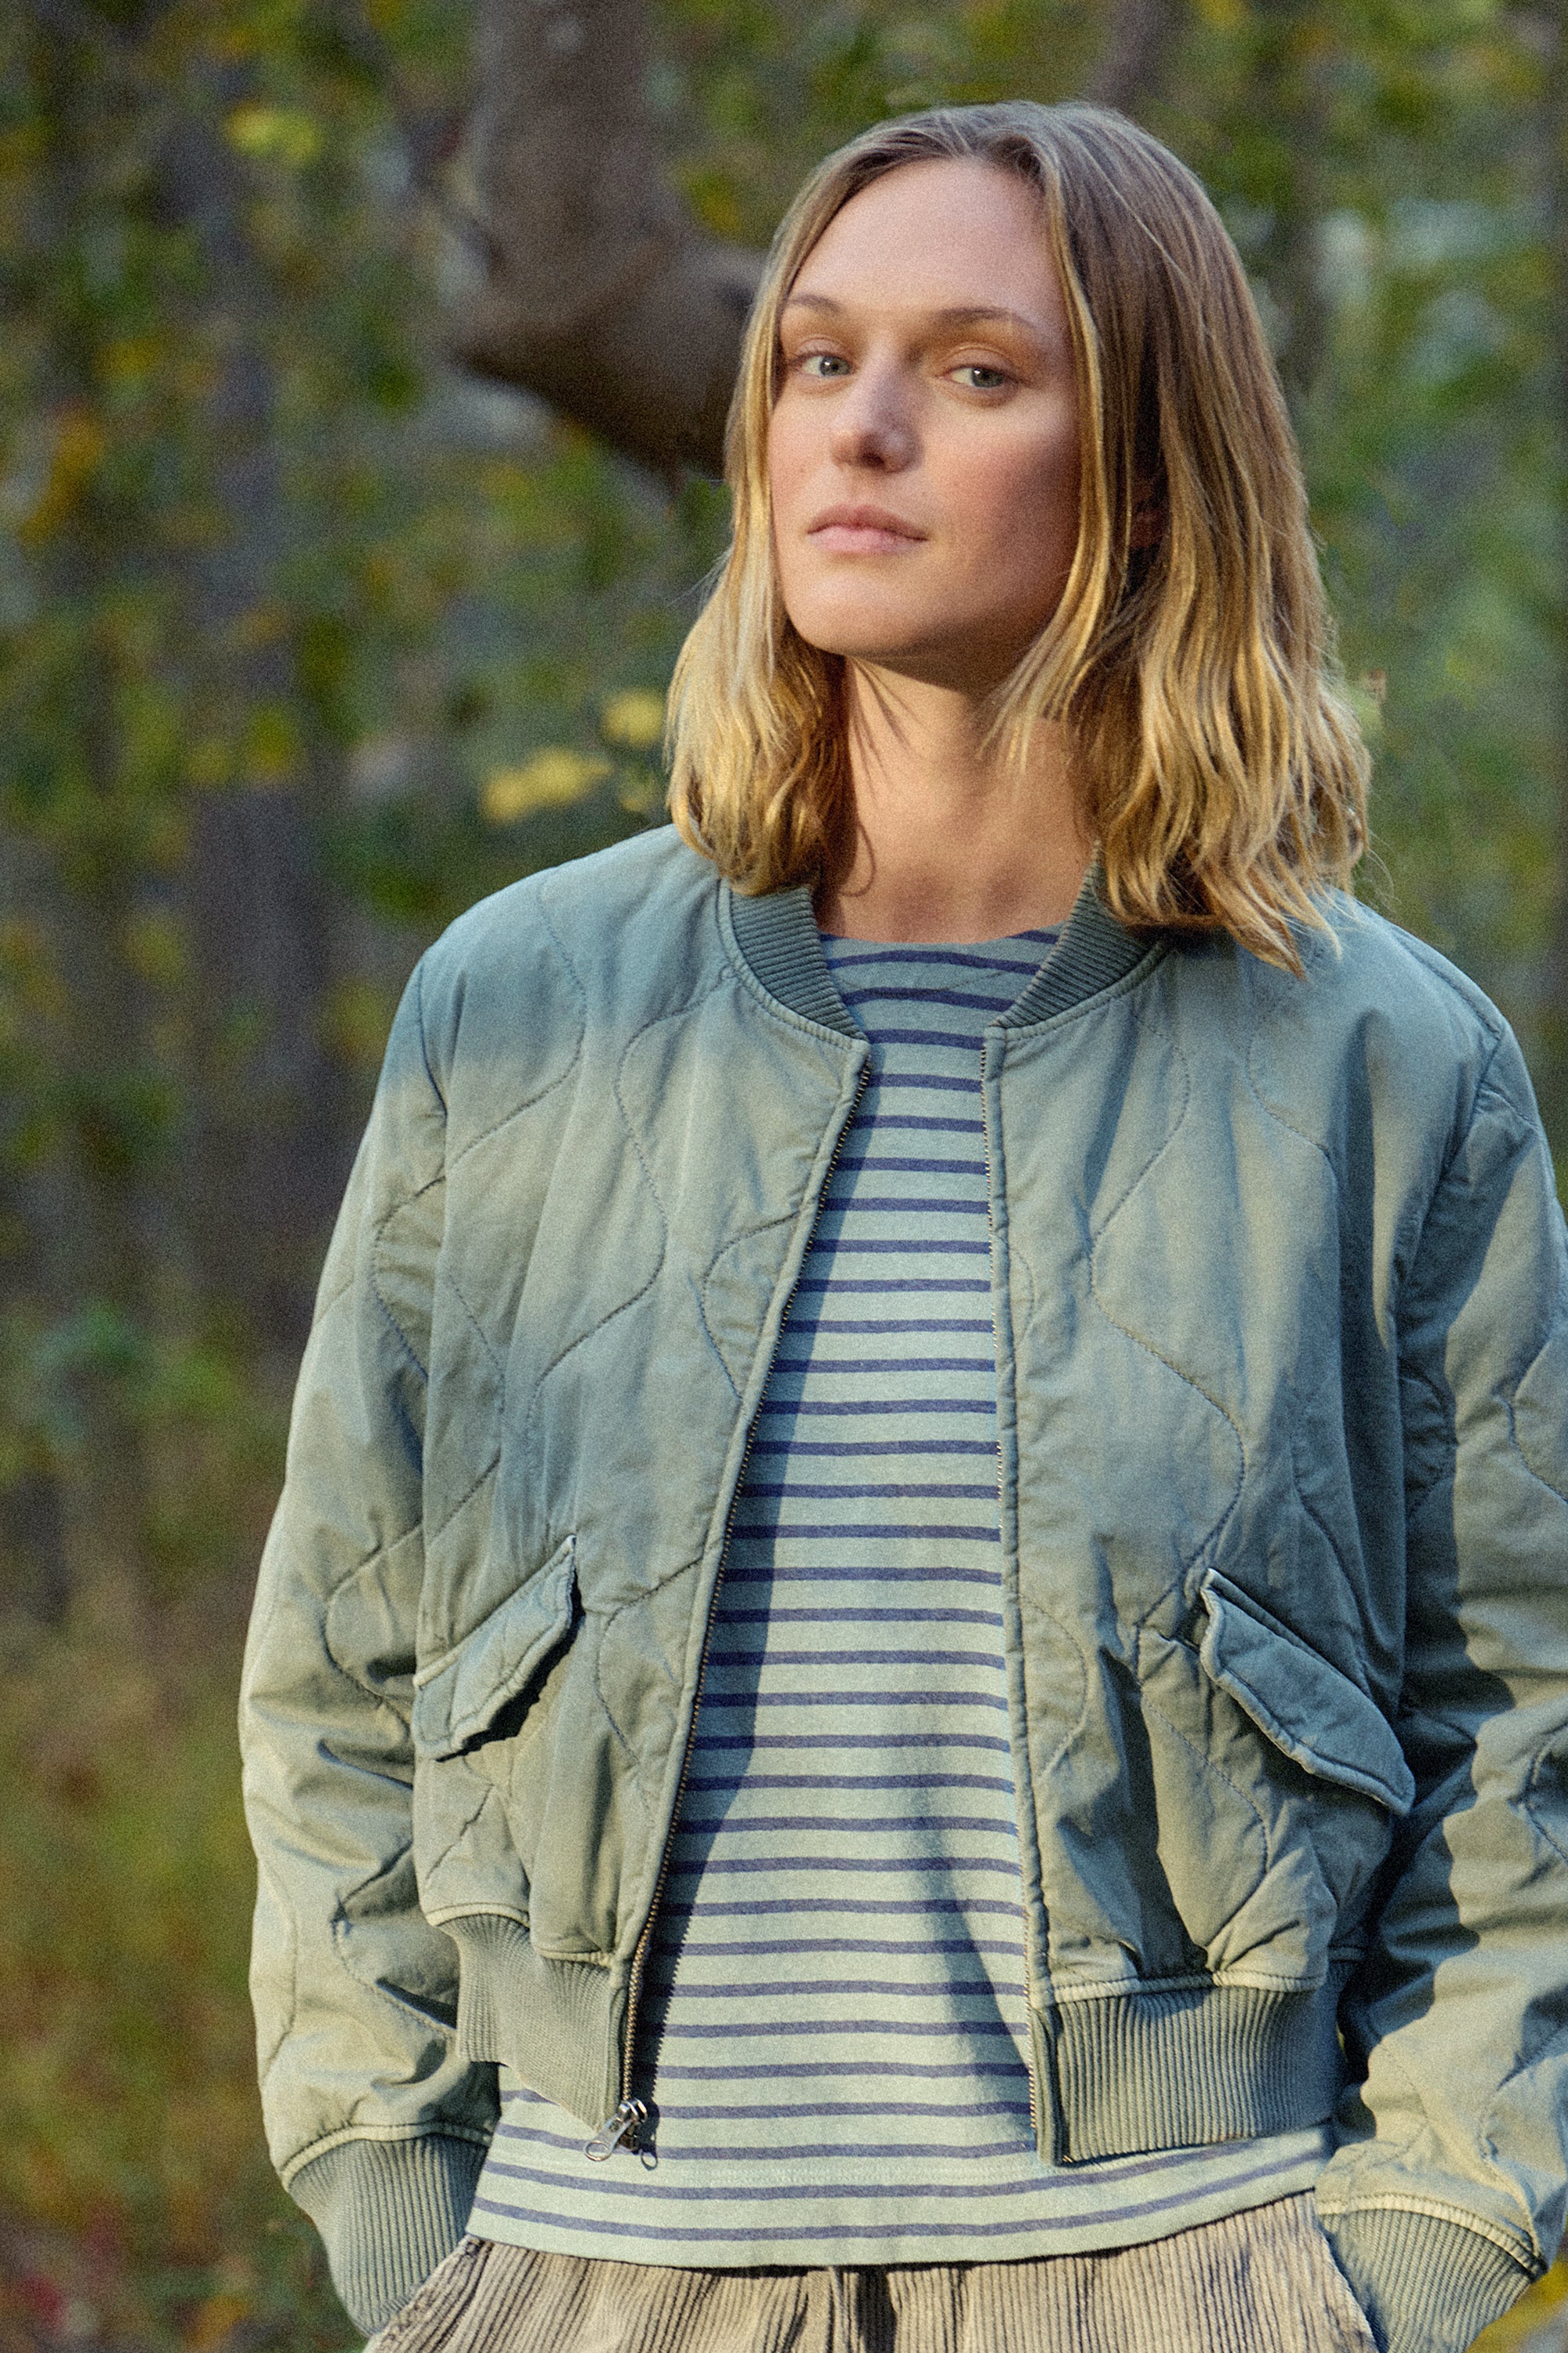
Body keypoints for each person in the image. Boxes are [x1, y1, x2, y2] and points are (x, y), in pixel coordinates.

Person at [239, 100, 1568, 2353]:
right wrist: (412, 2212)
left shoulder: (1384, 1064)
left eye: (975, 369)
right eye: (814, 357)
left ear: (1150, 464)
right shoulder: (521, 1012)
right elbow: (339, 1677)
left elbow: (1521, 1721)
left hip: (1182, 2283)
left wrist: (1393, 2260)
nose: (858, 428)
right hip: (593, 2287)